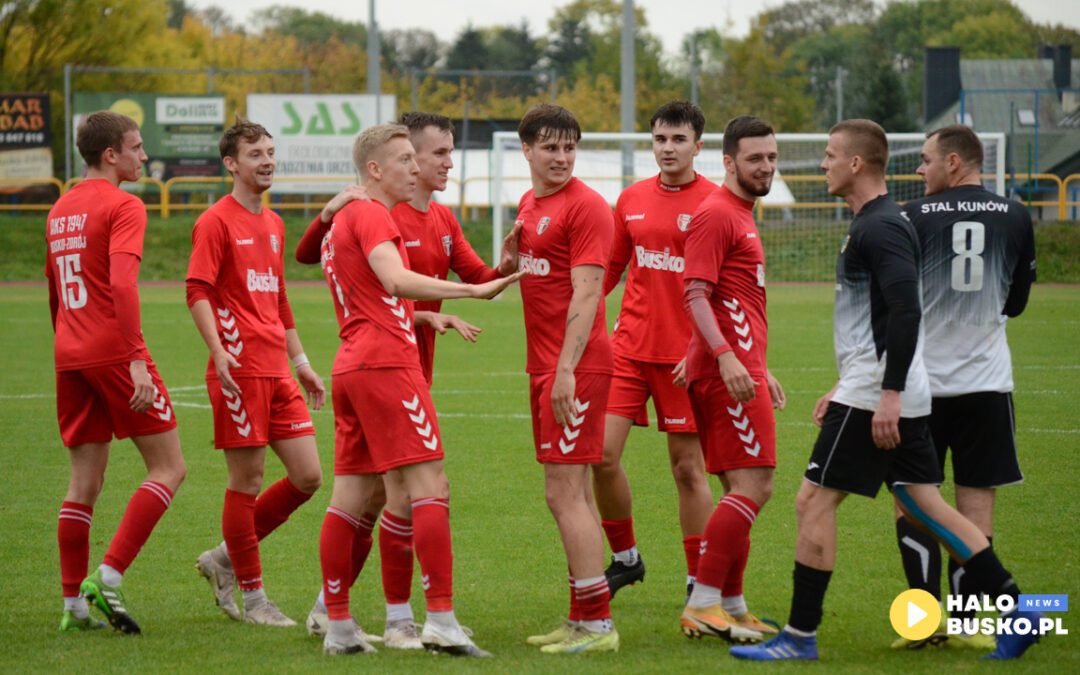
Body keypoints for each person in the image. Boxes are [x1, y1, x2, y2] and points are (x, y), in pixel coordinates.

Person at [730, 119, 1041, 662]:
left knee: (812, 502)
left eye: (828, 155)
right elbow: (879, 315)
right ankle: (1019, 611)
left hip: (877, 393)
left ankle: (800, 638)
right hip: (878, 386)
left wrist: (888, 393)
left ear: (855, 164)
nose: (820, 164)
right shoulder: (877, 223)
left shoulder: (882, 226)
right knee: (926, 504)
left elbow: (906, 308)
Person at [295, 111, 519, 649]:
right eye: (407, 158)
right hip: (387, 365)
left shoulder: (348, 220)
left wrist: (429, 313)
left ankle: (342, 625)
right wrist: (471, 293)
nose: (417, 167)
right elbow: (394, 281)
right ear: (375, 168)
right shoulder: (372, 215)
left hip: (352, 363)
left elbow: (368, 292)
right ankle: (438, 621)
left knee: (349, 499)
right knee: (429, 488)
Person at [890, 124, 1036, 650]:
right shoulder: (1017, 215)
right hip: (986, 385)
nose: (919, 169)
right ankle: (971, 625)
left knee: (913, 503)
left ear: (954, 162)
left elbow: (897, 302)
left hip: (920, 387)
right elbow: (1015, 303)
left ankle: (923, 624)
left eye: (926, 160)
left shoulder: (909, 216)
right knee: (975, 506)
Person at [47, 111, 186, 636]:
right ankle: (106, 578)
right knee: (169, 468)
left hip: (70, 352)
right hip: (113, 349)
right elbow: (124, 286)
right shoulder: (124, 204)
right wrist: (133, 358)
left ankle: (72, 606)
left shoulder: (59, 209)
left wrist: (67, 347)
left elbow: (56, 290)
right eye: (137, 147)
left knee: (84, 482)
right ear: (111, 155)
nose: (144, 156)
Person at [188, 119, 326, 628]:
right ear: (231, 164)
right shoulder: (215, 222)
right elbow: (196, 290)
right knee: (245, 480)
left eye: (271, 151)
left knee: (308, 476)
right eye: (255, 154)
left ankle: (222, 558)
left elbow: (280, 298)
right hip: (239, 371)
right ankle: (254, 599)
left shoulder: (273, 222)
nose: (267, 160)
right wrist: (218, 350)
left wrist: (303, 363)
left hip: (277, 371)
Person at [593, 100, 717, 600]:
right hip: (627, 348)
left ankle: (697, 579)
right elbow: (610, 270)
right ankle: (626, 559)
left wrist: (705, 349)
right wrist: (573, 309)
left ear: (697, 146)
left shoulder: (715, 203)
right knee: (600, 456)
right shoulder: (631, 199)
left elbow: (725, 289)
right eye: (661, 139)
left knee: (688, 469)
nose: (668, 149)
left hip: (685, 358)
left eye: (678, 140)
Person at [514, 104, 619, 654]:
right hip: (548, 364)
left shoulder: (588, 208)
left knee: (564, 493)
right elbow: (532, 272)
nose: (561, 156)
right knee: (570, 491)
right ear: (526, 150)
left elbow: (587, 292)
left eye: (569, 146)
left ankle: (598, 625)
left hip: (575, 367)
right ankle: (582, 616)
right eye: (550, 147)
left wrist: (566, 371)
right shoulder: (530, 204)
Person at [677, 115, 785, 643]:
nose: (765, 167)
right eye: (754, 158)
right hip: (730, 374)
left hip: (738, 368)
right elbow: (694, 292)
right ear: (727, 162)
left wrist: (760, 365)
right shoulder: (718, 214)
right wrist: (726, 357)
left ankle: (733, 606)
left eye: (770, 157)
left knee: (738, 488)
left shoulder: (740, 213)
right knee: (755, 485)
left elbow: (731, 300)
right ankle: (702, 602)